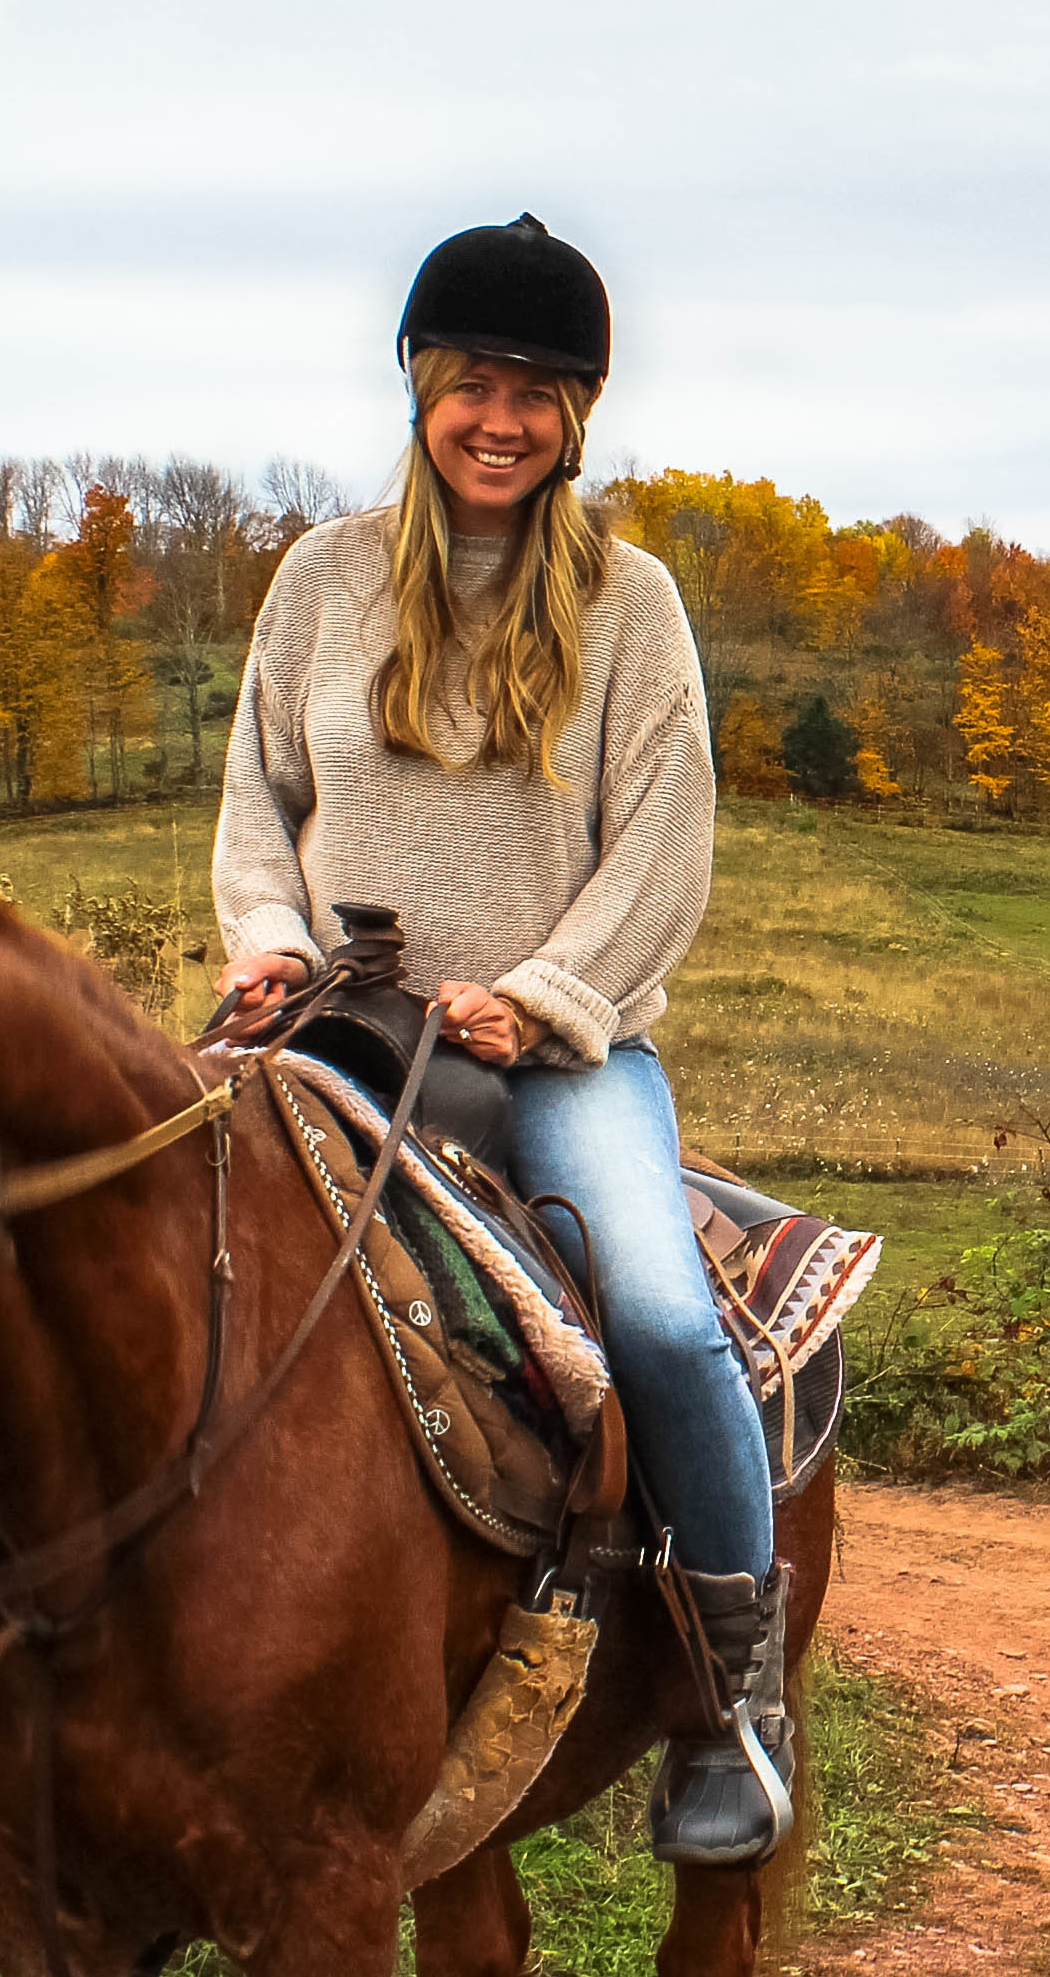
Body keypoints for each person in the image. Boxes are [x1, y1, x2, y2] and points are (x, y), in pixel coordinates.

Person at [210, 212, 789, 1867]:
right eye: (475, 381)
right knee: (176, 1257)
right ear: (421, 386)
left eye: (539, 391)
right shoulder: (319, 581)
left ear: (578, 418)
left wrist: (537, 994)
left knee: (669, 1323)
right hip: (336, 1030)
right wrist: (265, 945)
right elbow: (259, 804)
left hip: (561, 1058)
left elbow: (662, 849)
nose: (501, 419)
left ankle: (733, 1702)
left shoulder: (634, 604)